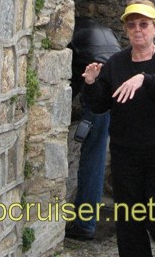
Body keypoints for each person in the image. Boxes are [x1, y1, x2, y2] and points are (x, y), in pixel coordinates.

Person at [83, 0, 155, 257]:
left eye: (144, 24)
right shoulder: (116, 63)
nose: (138, 30)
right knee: (129, 220)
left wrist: (146, 79)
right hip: (126, 153)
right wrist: (91, 83)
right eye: (132, 25)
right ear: (126, 30)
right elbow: (99, 105)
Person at [65, 18, 121, 241]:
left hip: (101, 96)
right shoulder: (104, 30)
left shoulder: (75, 37)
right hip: (117, 90)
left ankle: (84, 223)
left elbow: (74, 79)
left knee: (93, 159)